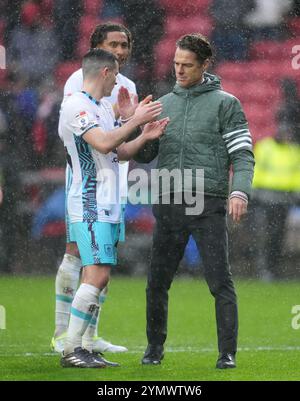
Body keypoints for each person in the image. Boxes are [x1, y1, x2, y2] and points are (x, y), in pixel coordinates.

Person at [133, 33, 255, 369]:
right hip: (169, 200)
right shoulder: (162, 104)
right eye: (176, 64)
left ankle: (227, 353)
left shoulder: (226, 103)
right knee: (157, 282)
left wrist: (239, 190)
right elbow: (144, 157)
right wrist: (140, 129)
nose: (179, 70)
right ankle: (154, 348)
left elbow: (243, 154)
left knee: (219, 281)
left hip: (207, 201)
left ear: (205, 65)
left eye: (187, 65)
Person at [59, 48, 168, 367]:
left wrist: (143, 133)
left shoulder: (98, 108)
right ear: (104, 72)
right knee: (95, 274)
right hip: (88, 199)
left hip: (105, 201)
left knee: (101, 276)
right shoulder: (76, 106)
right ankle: (71, 350)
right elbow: (103, 143)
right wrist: (133, 118)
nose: (118, 82)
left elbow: (117, 152)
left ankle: (81, 346)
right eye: (116, 75)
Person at [51, 22, 137, 354]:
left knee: (103, 260)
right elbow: (85, 136)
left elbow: (123, 140)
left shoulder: (125, 84)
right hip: (87, 181)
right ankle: (63, 335)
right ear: (97, 47)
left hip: (115, 181)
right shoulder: (79, 81)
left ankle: (89, 337)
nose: (120, 50)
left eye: (124, 44)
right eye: (113, 44)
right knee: (78, 255)